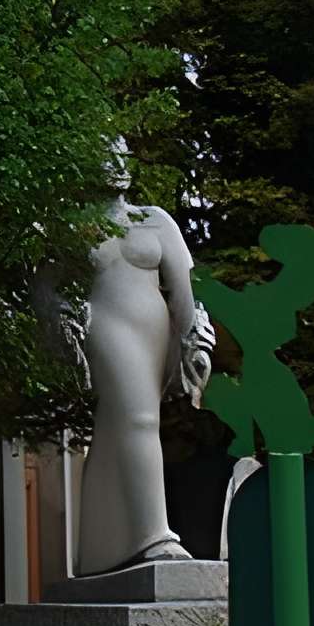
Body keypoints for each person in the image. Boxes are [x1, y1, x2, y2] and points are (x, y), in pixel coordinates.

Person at [68, 175, 216, 575]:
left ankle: (101, 550)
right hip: (106, 326)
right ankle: (156, 535)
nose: (113, 159)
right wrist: (59, 319)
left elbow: (185, 288)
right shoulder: (72, 225)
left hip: (154, 332)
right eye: (104, 151)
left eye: (120, 149)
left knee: (119, 429)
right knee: (138, 418)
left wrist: (193, 341)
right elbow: (46, 286)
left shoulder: (155, 220)